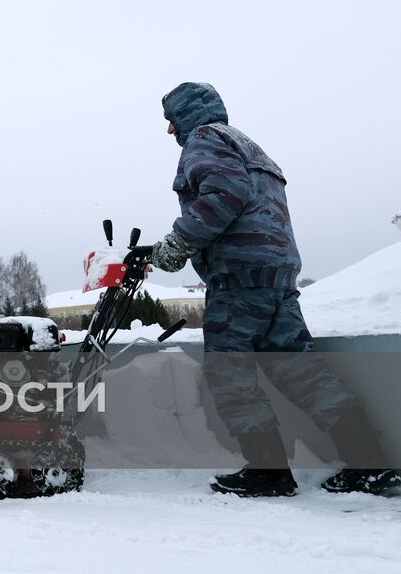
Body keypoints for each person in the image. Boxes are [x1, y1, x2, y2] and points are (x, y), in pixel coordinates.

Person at [150, 82, 398, 497]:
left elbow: (225, 193)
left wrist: (176, 244)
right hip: (277, 278)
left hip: (240, 280)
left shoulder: (204, 140)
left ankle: (268, 472)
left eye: (170, 120)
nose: (169, 131)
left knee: (230, 376)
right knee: (302, 373)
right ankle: (369, 463)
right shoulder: (250, 147)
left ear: (185, 116)